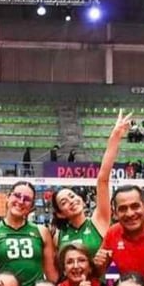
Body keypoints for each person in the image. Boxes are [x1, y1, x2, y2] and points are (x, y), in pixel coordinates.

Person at [50, 111, 126, 260]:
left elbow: (102, 180)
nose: (71, 201)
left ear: (81, 199)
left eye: (72, 196)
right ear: (60, 213)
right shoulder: (57, 236)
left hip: (98, 276)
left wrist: (115, 138)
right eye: (64, 202)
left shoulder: (99, 221)